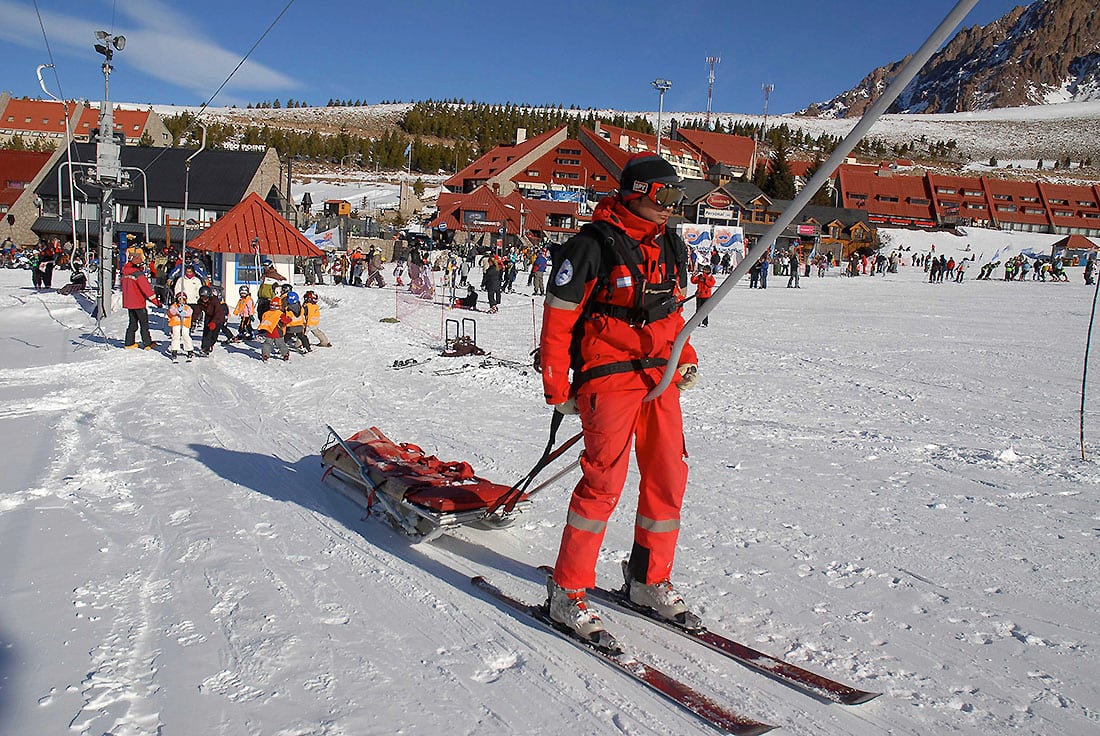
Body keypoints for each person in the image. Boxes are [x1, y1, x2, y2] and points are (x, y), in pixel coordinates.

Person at [540, 153, 700, 648]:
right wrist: (556, 384)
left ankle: (647, 579)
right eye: (662, 197)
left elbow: (671, 308)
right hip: (608, 374)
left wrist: (684, 353)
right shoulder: (592, 246)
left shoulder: (670, 243)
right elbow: (559, 317)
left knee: (669, 474)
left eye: (675, 197)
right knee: (603, 482)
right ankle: (567, 591)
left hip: (657, 375)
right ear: (635, 193)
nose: (670, 207)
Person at [120, 247, 161, 349]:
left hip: (129, 303)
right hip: (139, 303)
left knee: (132, 323)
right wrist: (157, 302)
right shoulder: (138, 274)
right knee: (144, 324)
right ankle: (147, 343)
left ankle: (129, 343)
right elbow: (147, 290)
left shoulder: (124, 273)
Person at [258, 295, 292, 362]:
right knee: (281, 344)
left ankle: (266, 354)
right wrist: (289, 319)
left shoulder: (266, 313)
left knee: (267, 344)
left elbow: (263, 320)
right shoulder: (280, 313)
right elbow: (285, 320)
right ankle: (285, 354)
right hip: (278, 332)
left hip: (269, 332)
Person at [166, 292, 195, 360]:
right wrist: (177, 311)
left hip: (185, 324)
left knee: (185, 335)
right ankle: (174, 350)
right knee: (176, 336)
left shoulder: (187, 307)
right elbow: (171, 312)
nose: (181, 301)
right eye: (180, 299)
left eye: (183, 299)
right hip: (176, 323)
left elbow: (189, 313)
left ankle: (189, 350)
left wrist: (183, 313)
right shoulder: (174, 306)